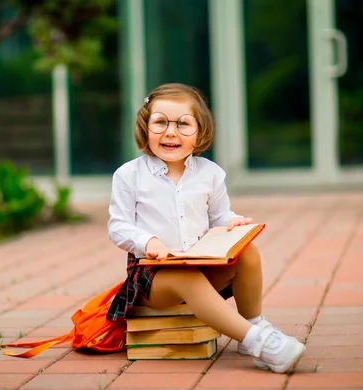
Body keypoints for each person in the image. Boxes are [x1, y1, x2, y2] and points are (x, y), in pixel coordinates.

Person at [106, 83, 305, 373]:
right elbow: (118, 225)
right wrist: (147, 241)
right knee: (184, 276)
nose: (171, 132)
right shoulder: (129, 175)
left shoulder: (210, 174)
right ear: (144, 127)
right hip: (153, 279)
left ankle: (252, 323)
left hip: (201, 267)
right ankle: (258, 342)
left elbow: (220, 215)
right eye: (160, 122)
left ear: (200, 131)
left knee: (247, 253)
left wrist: (231, 222)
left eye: (183, 124)